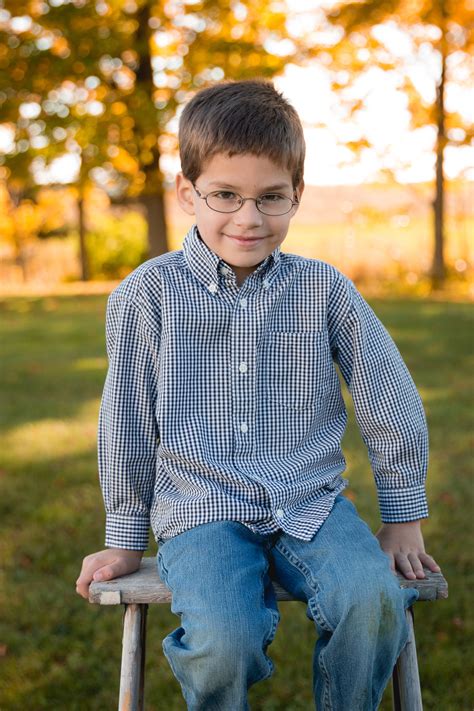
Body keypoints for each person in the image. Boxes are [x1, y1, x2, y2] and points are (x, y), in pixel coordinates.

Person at [76, 79, 441, 710]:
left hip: (312, 503)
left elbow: (390, 397)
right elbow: (126, 424)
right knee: (224, 638)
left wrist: (403, 517)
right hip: (201, 508)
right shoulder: (147, 296)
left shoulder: (324, 290)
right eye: (225, 196)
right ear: (188, 194)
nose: (248, 219)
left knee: (374, 602)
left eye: (271, 198)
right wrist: (125, 533)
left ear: (296, 196)